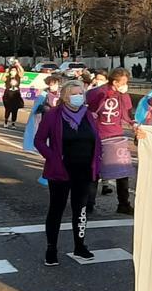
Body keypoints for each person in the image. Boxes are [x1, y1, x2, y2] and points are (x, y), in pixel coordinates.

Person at [33, 79, 102, 266]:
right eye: (74, 93)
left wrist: (97, 163)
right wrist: (54, 157)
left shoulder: (88, 116)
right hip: (61, 171)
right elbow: (39, 141)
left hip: (85, 170)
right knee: (56, 209)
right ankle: (51, 248)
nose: (79, 96)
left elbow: (96, 141)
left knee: (80, 209)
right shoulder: (53, 116)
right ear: (65, 96)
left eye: (81, 93)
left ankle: (80, 246)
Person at [86, 68, 135, 215]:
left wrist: (134, 124)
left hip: (117, 136)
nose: (125, 85)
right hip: (99, 137)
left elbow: (128, 113)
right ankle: (88, 204)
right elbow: (87, 104)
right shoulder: (99, 92)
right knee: (95, 171)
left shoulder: (123, 95)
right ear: (115, 82)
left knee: (122, 172)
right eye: (123, 82)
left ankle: (124, 203)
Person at [2, 63, 25, 128]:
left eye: (14, 70)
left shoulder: (18, 76)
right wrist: (5, 72)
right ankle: (6, 121)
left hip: (16, 94)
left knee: (15, 110)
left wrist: (18, 65)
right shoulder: (7, 76)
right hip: (8, 94)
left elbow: (22, 72)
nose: (13, 72)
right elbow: (2, 79)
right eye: (12, 70)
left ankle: (13, 123)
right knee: (8, 109)